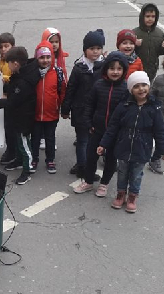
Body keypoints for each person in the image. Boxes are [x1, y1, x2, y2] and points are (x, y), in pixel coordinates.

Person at [97, 71, 164, 213]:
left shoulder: (154, 108)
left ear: (148, 86)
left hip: (142, 148)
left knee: (136, 174)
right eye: (136, 86)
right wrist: (103, 144)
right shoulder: (124, 105)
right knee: (122, 172)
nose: (141, 89)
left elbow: (160, 131)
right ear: (131, 89)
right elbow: (113, 127)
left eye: (144, 85)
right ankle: (120, 194)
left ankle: (132, 197)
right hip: (123, 146)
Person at [74, 51, 130, 197]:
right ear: (106, 69)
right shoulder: (98, 85)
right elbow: (89, 105)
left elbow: (128, 112)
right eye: (112, 68)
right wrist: (88, 123)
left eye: (119, 69)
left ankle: (104, 184)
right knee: (91, 156)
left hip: (114, 133)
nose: (115, 72)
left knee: (111, 159)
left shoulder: (126, 88)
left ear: (124, 70)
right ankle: (88, 182)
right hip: (96, 129)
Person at [0, 46, 41, 185]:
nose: (8, 66)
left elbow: (13, 101)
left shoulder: (24, 82)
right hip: (17, 118)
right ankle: (19, 161)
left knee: (24, 145)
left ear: (16, 63)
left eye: (9, 63)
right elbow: (12, 88)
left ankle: (28, 169)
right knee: (19, 143)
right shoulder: (20, 75)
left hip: (23, 119)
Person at [61, 29, 105, 178]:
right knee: (82, 141)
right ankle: (82, 168)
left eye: (98, 48)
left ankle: (85, 165)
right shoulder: (79, 68)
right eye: (92, 49)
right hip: (80, 111)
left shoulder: (104, 67)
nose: (95, 52)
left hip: (96, 112)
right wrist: (65, 109)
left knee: (93, 141)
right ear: (85, 50)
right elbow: (71, 89)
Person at [30, 41, 66, 174]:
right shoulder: (32, 72)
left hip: (52, 113)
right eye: (41, 57)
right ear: (36, 58)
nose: (45, 60)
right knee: (35, 138)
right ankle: (34, 159)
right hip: (35, 113)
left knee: (50, 138)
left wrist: (63, 108)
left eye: (48, 57)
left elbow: (62, 91)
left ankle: (50, 160)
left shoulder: (57, 73)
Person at [39, 27, 69, 150]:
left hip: (56, 93)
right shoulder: (42, 57)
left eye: (57, 42)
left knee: (52, 118)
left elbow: (64, 76)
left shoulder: (60, 58)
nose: (54, 44)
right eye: (51, 42)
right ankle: (41, 138)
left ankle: (49, 138)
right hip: (44, 93)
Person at [133, 3, 164, 81]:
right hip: (136, 68)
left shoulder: (159, 33)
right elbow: (127, 51)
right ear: (142, 17)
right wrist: (135, 45)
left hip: (152, 68)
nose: (150, 19)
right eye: (147, 16)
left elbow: (159, 52)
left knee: (149, 88)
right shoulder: (135, 32)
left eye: (153, 16)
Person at [0, 32, 17, 165]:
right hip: (3, 99)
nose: (3, 49)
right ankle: (10, 150)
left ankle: (14, 152)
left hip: (13, 99)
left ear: (12, 46)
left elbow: (16, 78)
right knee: (6, 128)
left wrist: (3, 78)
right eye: (1, 47)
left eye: (6, 46)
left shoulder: (15, 62)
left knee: (13, 128)